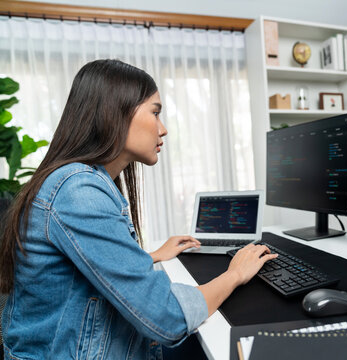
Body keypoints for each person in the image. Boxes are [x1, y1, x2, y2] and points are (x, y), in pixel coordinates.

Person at [0, 59, 277, 359]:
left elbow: (79, 272)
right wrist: (235, 274)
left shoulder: (81, 182)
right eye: (155, 113)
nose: (164, 129)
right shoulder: (78, 191)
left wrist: (152, 255)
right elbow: (166, 316)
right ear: (114, 112)